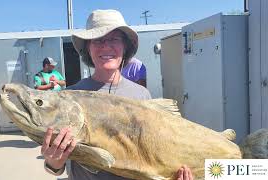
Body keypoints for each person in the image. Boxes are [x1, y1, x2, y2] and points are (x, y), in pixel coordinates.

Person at [41, 9, 193, 180]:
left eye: (114, 39)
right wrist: (53, 163)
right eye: (98, 40)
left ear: (125, 46)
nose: (106, 46)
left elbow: (153, 155)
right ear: (88, 48)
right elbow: (58, 167)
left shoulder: (141, 96)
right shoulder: (69, 98)